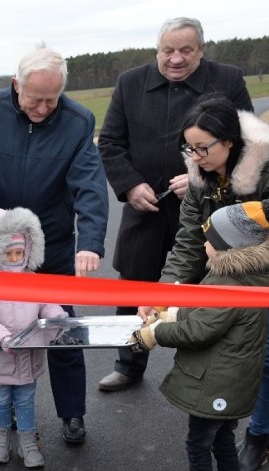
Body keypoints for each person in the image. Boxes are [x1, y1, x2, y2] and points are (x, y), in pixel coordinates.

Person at [140, 94, 269, 471]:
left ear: (229, 141)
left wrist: (225, 299)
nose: (195, 157)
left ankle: (261, 438)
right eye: (189, 148)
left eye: (202, 148)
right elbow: (188, 241)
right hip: (241, 271)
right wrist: (165, 295)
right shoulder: (201, 177)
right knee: (243, 349)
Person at [0, 45, 109, 445]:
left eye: (51, 100)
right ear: (15, 85)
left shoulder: (77, 122)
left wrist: (89, 241)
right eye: (34, 99)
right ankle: (6, 419)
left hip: (52, 247)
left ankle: (72, 413)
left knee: (61, 329)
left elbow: (90, 185)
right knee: (1, 331)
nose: (42, 109)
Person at [96, 17, 254, 392]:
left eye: (186, 50)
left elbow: (248, 142)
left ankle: (207, 377)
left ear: (201, 50)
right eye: (168, 50)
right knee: (136, 290)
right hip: (146, 210)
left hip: (208, 212)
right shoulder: (130, 82)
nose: (176, 59)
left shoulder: (228, 80)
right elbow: (111, 143)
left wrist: (205, 175)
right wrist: (130, 185)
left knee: (207, 296)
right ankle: (129, 365)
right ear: (158, 50)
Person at [131, 199, 269, 471]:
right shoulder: (248, 277)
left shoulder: (227, 284)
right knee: (223, 440)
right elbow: (206, 315)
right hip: (233, 382)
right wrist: (174, 313)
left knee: (198, 442)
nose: (204, 244)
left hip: (216, 383)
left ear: (228, 247)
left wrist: (155, 333)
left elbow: (199, 330)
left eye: (210, 240)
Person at [0, 207, 68, 468]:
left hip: (29, 355)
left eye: (19, 253)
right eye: (8, 253)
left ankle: (28, 441)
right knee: (0, 398)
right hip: (0, 355)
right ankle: (0, 438)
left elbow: (47, 304)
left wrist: (57, 315)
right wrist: (3, 339)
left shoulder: (33, 279)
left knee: (25, 399)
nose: (14, 259)